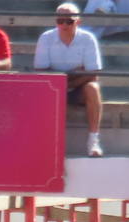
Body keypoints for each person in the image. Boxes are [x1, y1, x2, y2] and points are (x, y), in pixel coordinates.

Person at [35, 3, 103, 157]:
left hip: (71, 88)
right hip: (53, 89)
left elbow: (93, 74)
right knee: (42, 91)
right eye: (60, 21)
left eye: (69, 21)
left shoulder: (88, 39)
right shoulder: (46, 38)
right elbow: (41, 73)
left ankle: (94, 140)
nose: (64, 25)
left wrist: (65, 81)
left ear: (78, 22)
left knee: (93, 88)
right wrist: (76, 74)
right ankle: (48, 145)